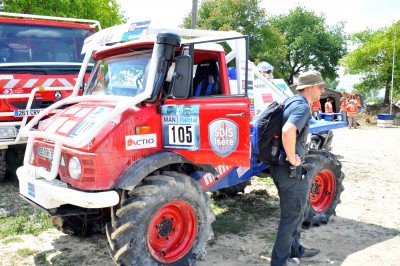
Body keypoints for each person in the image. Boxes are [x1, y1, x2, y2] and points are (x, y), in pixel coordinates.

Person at [269, 70, 324, 266]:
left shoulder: (291, 101)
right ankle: (279, 262)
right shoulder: (301, 107)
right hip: (288, 170)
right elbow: (288, 130)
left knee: (296, 211)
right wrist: (293, 158)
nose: (322, 90)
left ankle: (296, 249)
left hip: (279, 167)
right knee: (291, 217)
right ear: (309, 87)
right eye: (319, 86)